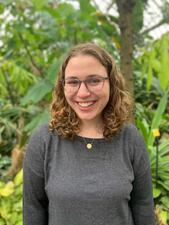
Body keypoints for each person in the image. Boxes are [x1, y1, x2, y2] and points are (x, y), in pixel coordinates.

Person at [23, 43, 155, 225]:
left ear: (112, 82)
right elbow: (33, 211)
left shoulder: (130, 139)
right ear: (63, 86)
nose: (83, 93)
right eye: (73, 82)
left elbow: (143, 208)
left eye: (94, 80)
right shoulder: (44, 140)